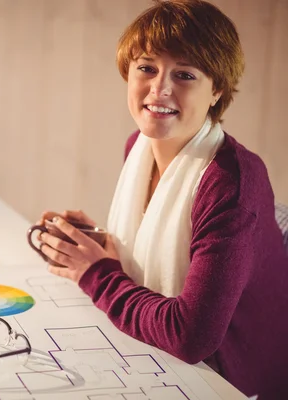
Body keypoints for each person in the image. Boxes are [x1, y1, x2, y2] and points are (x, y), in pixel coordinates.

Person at [34, 1, 288, 398]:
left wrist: (95, 273)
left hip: (230, 380)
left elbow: (190, 338)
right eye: (146, 68)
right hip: (157, 360)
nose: (159, 89)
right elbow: (161, 250)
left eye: (184, 74)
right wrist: (102, 244)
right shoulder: (140, 145)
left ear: (216, 89)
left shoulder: (233, 181)